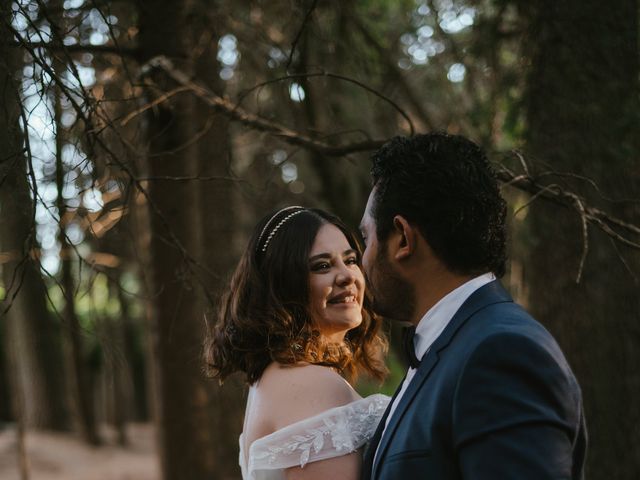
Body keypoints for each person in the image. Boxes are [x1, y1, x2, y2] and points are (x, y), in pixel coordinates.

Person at [359, 133, 587, 479]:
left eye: (366, 239)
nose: (361, 261)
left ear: (403, 238)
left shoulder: (501, 353)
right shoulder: (451, 348)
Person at [206, 206, 390, 480]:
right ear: (284, 285)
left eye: (350, 260)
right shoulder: (311, 385)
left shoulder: (273, 377)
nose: (347, 276)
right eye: (322, 266)